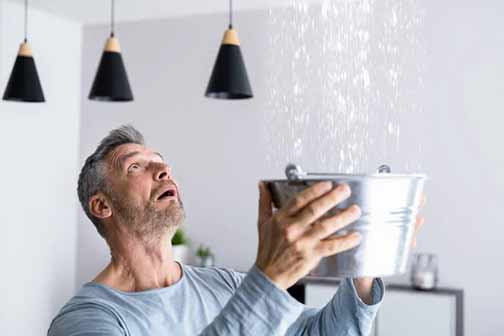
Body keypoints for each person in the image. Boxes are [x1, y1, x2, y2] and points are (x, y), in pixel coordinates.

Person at [48, 125, 424, 336]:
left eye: (161, 163)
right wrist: (269, 278)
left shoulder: (225, 286)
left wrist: (362, 261)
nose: (162, 171)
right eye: (135, 167)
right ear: (102, 205)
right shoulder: (86, 320)